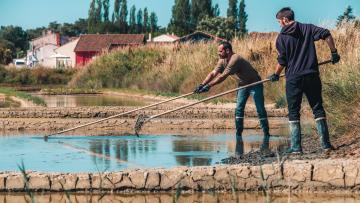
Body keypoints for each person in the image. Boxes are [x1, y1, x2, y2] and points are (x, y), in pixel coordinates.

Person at [268, 7, 340, 154]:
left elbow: (282, 61)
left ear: (285, 20)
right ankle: (325, 145)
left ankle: (296, 148)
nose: (279, 25)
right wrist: (334, 53)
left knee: (294, 112)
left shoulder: (281, 38)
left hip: (294, 78)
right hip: (311, 75)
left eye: (279, 22)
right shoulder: (307, 28)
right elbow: (327, 34)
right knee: (318, 108)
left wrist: (275, 74)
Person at [194, 41, 271, 152]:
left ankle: (266, 134)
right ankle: (238, 135)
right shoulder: (222, 60)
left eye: (220, 51)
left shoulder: (235, 59)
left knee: (260, 109)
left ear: (227, 50)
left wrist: (209, 86)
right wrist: (202, 84)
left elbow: (223, 76)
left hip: (255, 83)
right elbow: (213, 73)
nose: (218, 53)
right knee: (239, 109)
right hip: (243, 84)